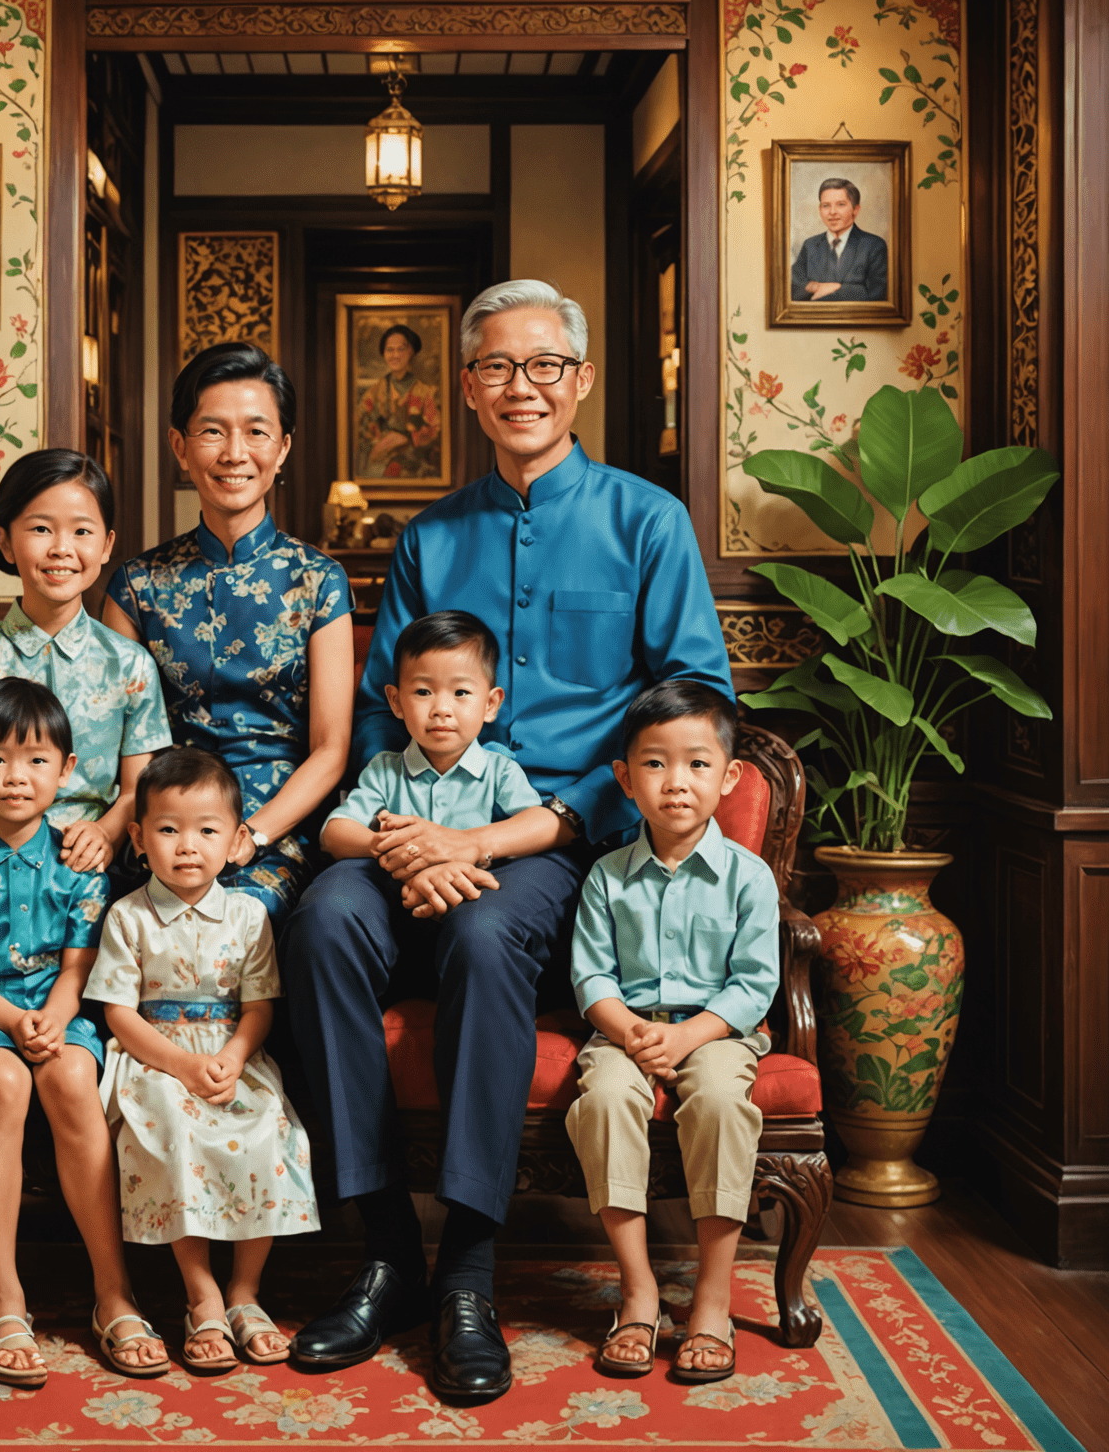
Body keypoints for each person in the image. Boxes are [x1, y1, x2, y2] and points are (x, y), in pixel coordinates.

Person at [283, 279, 733, 1403]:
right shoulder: (433, 533)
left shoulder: (648, 519)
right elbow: (389, 712)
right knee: (321, 918)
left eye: (543, 367)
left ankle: (469, 1270)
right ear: (469, 389)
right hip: (417, 827)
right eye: (495, 368)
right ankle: (383, 1248)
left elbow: (694, 697)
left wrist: (519, 827)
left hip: (561, 839)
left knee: (487, 935)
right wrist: (410, 838)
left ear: (578, 381)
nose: (520, 387)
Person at [0, 344, 353, 922]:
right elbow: (79, 705)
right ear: (179, 447)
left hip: (273, 825)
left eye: (256, 432)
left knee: (240, 911)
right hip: (156, 825)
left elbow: (330, 750)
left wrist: (251, 834)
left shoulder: (319, 580)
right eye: (211, 431)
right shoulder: (137, 583)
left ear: (282, 449)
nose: (234, 453)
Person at [0, 677, 169, 1387]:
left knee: (75, 1077)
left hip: (58, 1006)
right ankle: (3, 1298)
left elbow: (81, 962)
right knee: (2, 1078)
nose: (16, 777)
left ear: (67, 769)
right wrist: (12, 1021)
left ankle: (113, 1292)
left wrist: (52, 1016)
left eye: (35, 761)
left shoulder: (81, 858)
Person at [565, 680, 779, 1385]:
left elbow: (754, 983)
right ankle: (639, 1292)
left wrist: (689, 1038)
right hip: (626, 1034)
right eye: (655, 764)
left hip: (717, 1033)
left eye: (696, 764)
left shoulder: (748, 878)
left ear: (728, 778)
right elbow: (591, 978)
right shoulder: (605, 878)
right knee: (602, 1102)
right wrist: (629, 1031)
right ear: (625, 780)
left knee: (719, 1101)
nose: (676, 783)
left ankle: (712, 1302)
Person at [85, 746, 317, 1374]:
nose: (187, 846)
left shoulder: (247, 914)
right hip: (153, 1058)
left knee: (266, 1125)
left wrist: (236, 1055)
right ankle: (201, 1294)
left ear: (238, 840)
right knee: (171, 1126)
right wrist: (181, 1067)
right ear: (137, 838)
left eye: (207, 831)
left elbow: (260, 1005)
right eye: (167, 829)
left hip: (231, 1054)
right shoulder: (128, 916)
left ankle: (245, 1292)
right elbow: (118, 1014)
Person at [0, 451, 172, 975]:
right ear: (5, 540)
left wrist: (109, 831)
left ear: (107, 545)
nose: (61, 550)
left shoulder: (130, 664)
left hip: (87, 879)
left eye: (81, 532)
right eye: (41, 529)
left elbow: (139, 789)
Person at [319, 610, 555, 916]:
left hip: (472, 896)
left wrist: (473, 851)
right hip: (400, 899)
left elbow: (533, 825)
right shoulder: (384, 770)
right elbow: (335, 833)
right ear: (396, 702)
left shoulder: (500, 770)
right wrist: (397, 849)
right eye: (423, 691)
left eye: (460, 692)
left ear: (490, 704)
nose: (441, 709)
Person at [356, 322, 442, 480]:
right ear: (383, 353)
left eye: (400, 349)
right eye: (390, 350)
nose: (395, 355)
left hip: (414, 464)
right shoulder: (374, 393)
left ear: (411, 352)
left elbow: (435, 430)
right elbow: (359, 427)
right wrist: (378, 443)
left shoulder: (424, 393)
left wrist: (408, 439)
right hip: (379, 460)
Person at [789, 176, 889, 301]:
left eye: (840, 205)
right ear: (820, 209)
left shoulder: (874, 245)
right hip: (815, 319)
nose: (832, 212)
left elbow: (876, 293)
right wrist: (816, 286)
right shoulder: (810, 245)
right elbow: (792, 287)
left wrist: (836, 288)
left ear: (856, 209)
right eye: (826, 205)